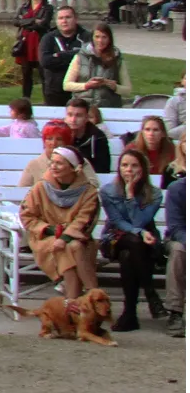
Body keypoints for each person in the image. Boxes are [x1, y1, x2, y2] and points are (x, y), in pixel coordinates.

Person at [20, 147, 101, 302]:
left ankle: (72, 301)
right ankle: (91, 292)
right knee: (71, 248)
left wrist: (64, 237)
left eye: (59, 163)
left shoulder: (88, 191)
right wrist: (51, 230)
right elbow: (27, 215)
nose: (53, 166)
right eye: (52, 162)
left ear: (73, 167)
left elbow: (85, 220)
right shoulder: (41, 187)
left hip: (78, 237)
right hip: (45, 237)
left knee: (73, 246)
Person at [102, 149, 164, 331]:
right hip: (115, 238)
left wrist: (130, 194)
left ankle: (130, 314)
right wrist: (139, 232)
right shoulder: (107, 191)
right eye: (124, 165)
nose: (129, 170)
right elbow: (117, 221)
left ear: (143, 169)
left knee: (129, 254)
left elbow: (139, 221)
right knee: (133, 241)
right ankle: (150, 293)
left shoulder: (154, 194)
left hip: (146, 242)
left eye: (134, 165)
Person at [64, 22, 132, 109]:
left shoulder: (117, 59)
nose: (100, 40)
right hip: (83, 108)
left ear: (109, 39)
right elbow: (66, 85)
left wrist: (115, 87)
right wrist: (86, 85)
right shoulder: (80, 57)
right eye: (97, 37)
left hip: (109, 107)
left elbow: (127, 90)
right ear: (92, 38)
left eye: (104, 37)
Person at [38, 6, 87, 108]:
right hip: (55, 91)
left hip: (81, 90)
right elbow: (45, 61)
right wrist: (75, 55)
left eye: (68, 17)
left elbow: (88, 59)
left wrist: (59, 55)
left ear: (75, 19)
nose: (64, 21)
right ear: (56, 21)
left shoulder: (87, 37)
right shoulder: (48, 38)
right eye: (61, 18)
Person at [163, 173, 187, 337]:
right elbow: (175, 227)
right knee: (178, 250)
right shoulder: (177, 189)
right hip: (179, 239)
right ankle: (175, 311)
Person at [64, 98, 115, 174]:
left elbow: (103, 170)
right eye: (70, 115)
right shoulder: (59, 133)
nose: (73, 120)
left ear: (86, 118)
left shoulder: (98, 138)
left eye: (79, 115)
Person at [127, 115, 178, 182]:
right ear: (142, 132)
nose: (151, 134)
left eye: (155, 130)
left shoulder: (171, 149)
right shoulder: (132, 149)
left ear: (163, 133)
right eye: (147, 129)